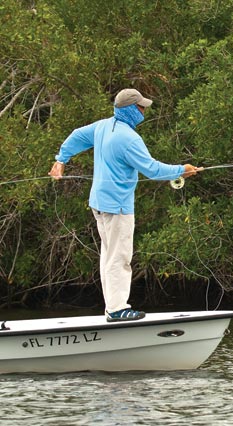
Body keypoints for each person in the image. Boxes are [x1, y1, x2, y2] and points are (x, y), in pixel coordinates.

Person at [49, 88, 200, 322]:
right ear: (130, 110)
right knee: (119, 258)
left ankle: (112, 308)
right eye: (140, 107)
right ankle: (118, 310)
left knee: (109, 256)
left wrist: (61, 160)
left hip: (99, 204)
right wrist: (182, 170)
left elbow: (77, 136)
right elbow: (152, 170)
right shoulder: (129, 139)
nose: (143, 111)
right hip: (117, 207)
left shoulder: (103, 126)